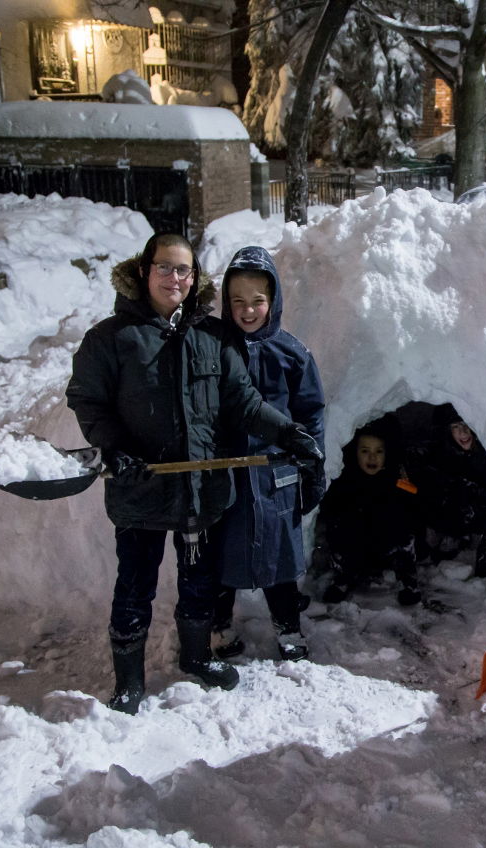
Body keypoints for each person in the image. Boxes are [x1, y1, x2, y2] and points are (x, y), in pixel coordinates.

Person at [66, 233, 323, 715]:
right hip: (141, 487)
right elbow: (87, 399)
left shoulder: (211, 335)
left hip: (199, 489)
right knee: (135, 583)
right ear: (144, 271)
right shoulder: (110, 338)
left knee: (198, 581)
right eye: (165, 267)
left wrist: (290, 434)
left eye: (184, 270)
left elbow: (244, 402)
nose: (175, 278)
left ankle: (197, 655)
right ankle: (128, 681)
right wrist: (114, 448)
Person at [210, 246, 326, 663]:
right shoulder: (213, 348)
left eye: (257, 300)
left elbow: (310, 411)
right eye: (237, 301)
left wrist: (313, 463)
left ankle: (288, 628)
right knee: (220, 555)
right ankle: (218, 627)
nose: (248, 310)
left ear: (273, 300)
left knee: (279, 558)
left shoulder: (292, 352)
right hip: (225, 472)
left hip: (276, 475)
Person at [319, 416, 423, 606]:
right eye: (365, 451)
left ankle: (407, 580)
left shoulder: (396, 479)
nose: (372, 457)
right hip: (358, 550)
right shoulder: (346, 480)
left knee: (403, 527)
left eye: (379, 451)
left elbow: (415, 512)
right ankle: (344, 577)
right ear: (355, 453)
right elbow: (330, 513)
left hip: (388, 550)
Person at [409, 403, 486, 582]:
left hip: (479, 519)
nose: (463, 432)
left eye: (467, 425)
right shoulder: (442, 455)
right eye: (456, 427)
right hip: (452, 518)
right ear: (448, 431)